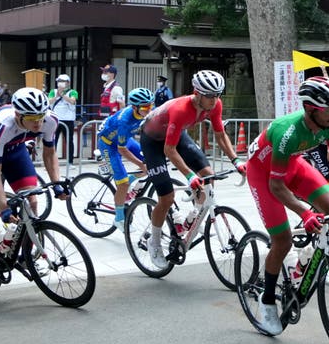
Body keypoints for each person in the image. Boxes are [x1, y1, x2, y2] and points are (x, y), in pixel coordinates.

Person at [245, 76, 329, 336]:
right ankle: (268, 299)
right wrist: (305, 212)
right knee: (282, 241)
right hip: (264, 175)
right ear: (310, 109)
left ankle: (306, 260)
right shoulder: (287, 132)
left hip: (294, 165)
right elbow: (276, 186)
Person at [137, 70, 245, 270]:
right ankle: (154, 241)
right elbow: (168, 150)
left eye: (217, 95)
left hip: (177, 135)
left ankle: (193, 217)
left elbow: (220, 135)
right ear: (197, 93)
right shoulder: (181, 109)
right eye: (210, 95)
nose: (214, 100)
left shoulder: (215, 105)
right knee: (166, 198)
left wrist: (236, 160)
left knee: (208, 176)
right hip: (153, 141)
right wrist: (189, 175)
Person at [0, 87, 68, 266]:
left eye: (41, 116)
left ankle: (26, 257)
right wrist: (4, 208)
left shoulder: (50, 120)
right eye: (32, 118)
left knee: (32, 202)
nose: (38, 123)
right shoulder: (3, 126)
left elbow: (50, 154)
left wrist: (57, 183)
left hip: (15, 149)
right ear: (18, 114)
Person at [97, 87, 154, 227]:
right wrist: (140, 164)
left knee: (151, 163)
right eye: (145, 107)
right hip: (108, 145)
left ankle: (129, 184)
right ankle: (119, 219)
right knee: (123, 184)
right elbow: (121, 150)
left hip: (125, 140)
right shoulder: (124, 121)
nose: (149, 110)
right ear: (135, 107)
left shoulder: (146, 111)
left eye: (151, 106)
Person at [48, 74, 79, 163]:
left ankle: (70, 162)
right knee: (53, 141)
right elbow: (49, 101)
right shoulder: (53, 91)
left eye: (63, 81)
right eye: (59, 81)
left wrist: (63, 95)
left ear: (68, 83)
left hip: (68, 120)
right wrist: (57, 95)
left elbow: (72, 101)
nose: (60, 83)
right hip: (55, 119)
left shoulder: (72, 92)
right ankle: (52, 162)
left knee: (69, 141)